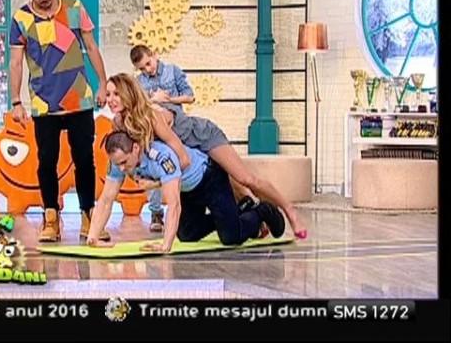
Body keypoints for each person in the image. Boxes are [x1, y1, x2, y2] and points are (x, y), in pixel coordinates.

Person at [106, 73, 307, 239]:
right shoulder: (118, 123)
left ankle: (289, 211)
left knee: (245, 179)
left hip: (200, 137)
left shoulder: (151, 116)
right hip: (189, 154)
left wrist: (155, 183)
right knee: (226, 187)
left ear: (128, 93)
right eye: (107, 94)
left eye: (116, 94)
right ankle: (245, 216)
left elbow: (181, 159)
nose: (110, 99)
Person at [9, 0, 110, 243]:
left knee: (84, 159)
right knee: (47, 161)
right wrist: (16, 101)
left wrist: (103, 83)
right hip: (44, 103)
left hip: (79, 98)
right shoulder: (21, 19)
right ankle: (51, 217)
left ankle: (89, 216)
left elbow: (91, 47)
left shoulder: (73, 7)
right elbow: (16, 63)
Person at [86, 131, 286, 252]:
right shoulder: (118, 164)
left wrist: (165, 245)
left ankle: (262, 210)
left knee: (231, 237)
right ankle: (235, 212)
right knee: (187, 234)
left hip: (209, 179)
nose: (122, 168)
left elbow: (173, 203)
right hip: (188, 188)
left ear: (136, 148)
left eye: (124, 162)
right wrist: (93, 236)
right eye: (117, 164)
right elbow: (106, 200)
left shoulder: (160, 157)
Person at [130, 44, 195, 233]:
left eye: (148, 64)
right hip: (152, 132)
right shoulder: (139, 82)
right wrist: (152, 100)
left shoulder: (172, 71)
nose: (147, 70)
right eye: (142, 68)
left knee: (183, 165)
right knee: (153, 169)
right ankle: (156, 212)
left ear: (154, 55)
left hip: (175, 127)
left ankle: (184, 210)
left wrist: (167, 100)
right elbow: (138, 106)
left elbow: (190, 97)